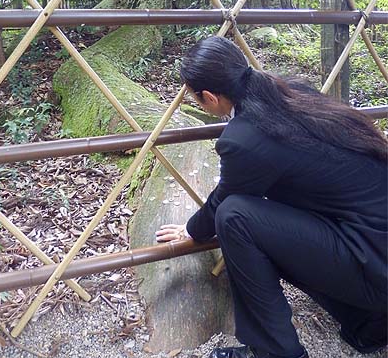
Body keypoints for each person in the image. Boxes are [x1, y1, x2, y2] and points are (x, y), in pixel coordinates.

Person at [156, 36, 387, 358]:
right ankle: (368, 324)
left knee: (236, 217)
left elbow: (226, 198)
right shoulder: (293, 92)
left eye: (193, 97)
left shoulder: (244, 138)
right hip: (374, 244)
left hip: (375, 264)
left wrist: (192, 231)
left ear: (208, 97)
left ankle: (275, 352)